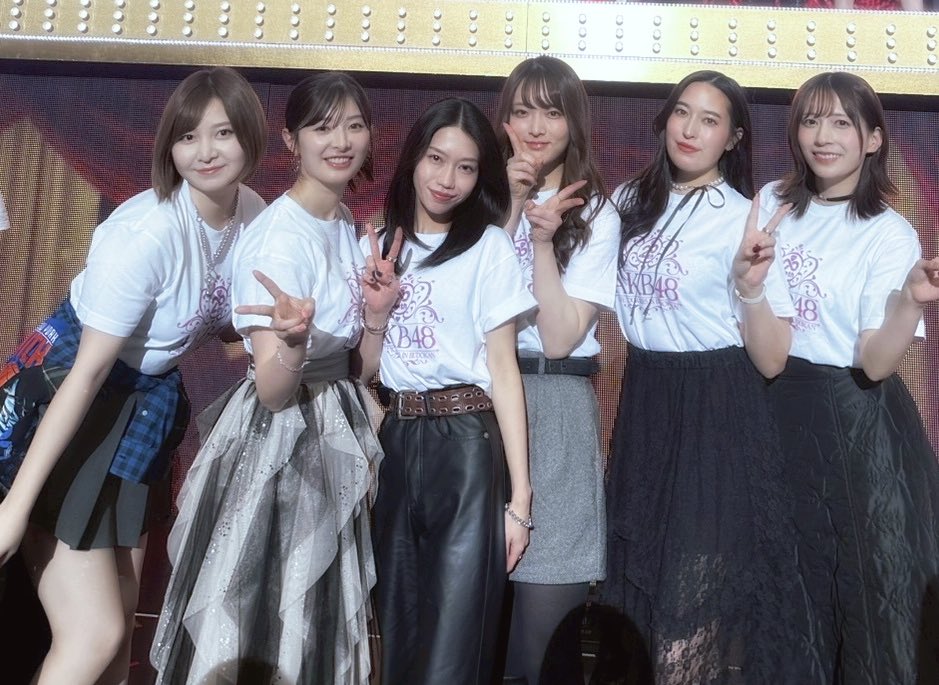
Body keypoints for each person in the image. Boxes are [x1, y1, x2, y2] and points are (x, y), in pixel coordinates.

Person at [0, 66, 267, 685]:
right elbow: (88, 373)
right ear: (169, 146)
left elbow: (219, 319)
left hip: (141, 411)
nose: (205, 152)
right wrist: (14, 508)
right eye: (188, 136)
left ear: (250, 137)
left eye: (223, 133)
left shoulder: (250, 213)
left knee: (121, 639)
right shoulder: (144, 233)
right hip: (73, 399)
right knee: (93, 636)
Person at [150, 72, 401, 684]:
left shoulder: (343, 220)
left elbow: (358, 368)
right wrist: (291, 341)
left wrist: (375, 315)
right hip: (283, 443)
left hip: (332, 419)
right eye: (322, 127)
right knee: (269, 619)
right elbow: (271, 389)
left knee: (313, 623)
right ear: (291, 140)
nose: (340, 141)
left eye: (354, 125)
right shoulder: (279, 239)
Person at [604, 70, 806, 683]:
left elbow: (773, 358)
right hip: (646, 403)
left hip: (716, 411)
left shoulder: (748, 219)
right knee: (635, 610)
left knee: (687, 622)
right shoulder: (628, 201)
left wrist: (750, 287)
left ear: (734, 137)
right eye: (682, 112)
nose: (690, 129)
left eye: (710, 120)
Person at [761, 71, 939, 684]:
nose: (823, 137)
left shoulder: (888, 232)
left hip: (855, 426)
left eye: (841, 123)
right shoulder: (771, 203)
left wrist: (910, 302)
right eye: (811, 121)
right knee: (786, 600)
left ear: (873, 139)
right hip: (772, 411)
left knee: (864, 597)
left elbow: (876, 361)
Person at [369, 97, 536, 685]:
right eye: (437, 159)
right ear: (413, 159)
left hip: (466, 446)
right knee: (397, 642)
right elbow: (363, 370)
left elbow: (505, 371)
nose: (447, 179)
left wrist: (520, 502)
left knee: (451, 653)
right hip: (394, 442)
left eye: (465, 167)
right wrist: (376, 314)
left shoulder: (489, 248)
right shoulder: (379, 245)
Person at [494, 55, 619, 685]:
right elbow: (465, 306)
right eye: (522, 111)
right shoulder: (474, 198)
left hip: (556, 403)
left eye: (552, 111)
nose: (536, 127)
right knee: (472, 628)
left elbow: (563, 336)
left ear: (575, 122)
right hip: (480, 402)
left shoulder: (596, 214)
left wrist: (543, 244)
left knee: (541, 647)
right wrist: (511, 207)